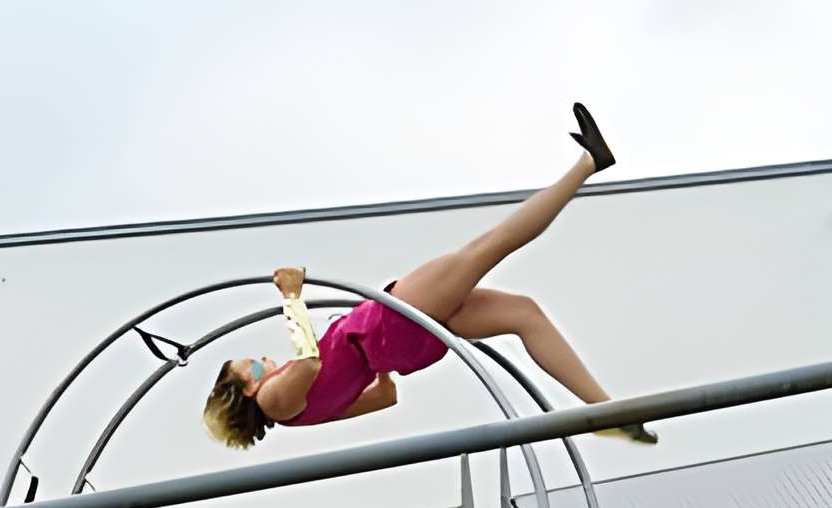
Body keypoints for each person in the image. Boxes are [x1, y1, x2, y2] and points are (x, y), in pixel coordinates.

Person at [201, 104, 655, 451]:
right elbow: (309, 364)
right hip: (387, 325)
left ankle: (607, 413)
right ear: (247, 392)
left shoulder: (304, 413)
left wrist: (368, 358)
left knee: (523, 313)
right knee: (490, 246)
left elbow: (386, 397)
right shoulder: (274, 402)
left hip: (388, 340)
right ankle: (589, 163)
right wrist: (292, 297)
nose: (267, 361)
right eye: (255, 366)